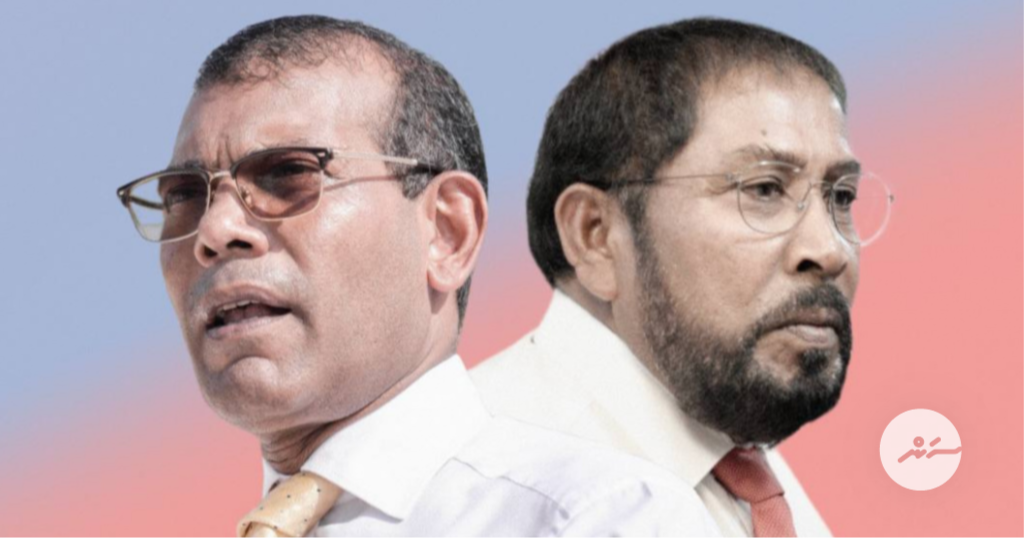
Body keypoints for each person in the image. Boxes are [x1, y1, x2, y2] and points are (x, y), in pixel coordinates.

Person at [116, 15, 721, 538]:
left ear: (447, 232)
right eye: (184, 195)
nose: (215, 229)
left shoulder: (599, 520)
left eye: (287, 174)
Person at [472, 17, 894, 538]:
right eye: (763, 189)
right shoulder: (490, 496)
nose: (829, 250)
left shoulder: (735, 467)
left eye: (842, 196)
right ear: (595, 235)